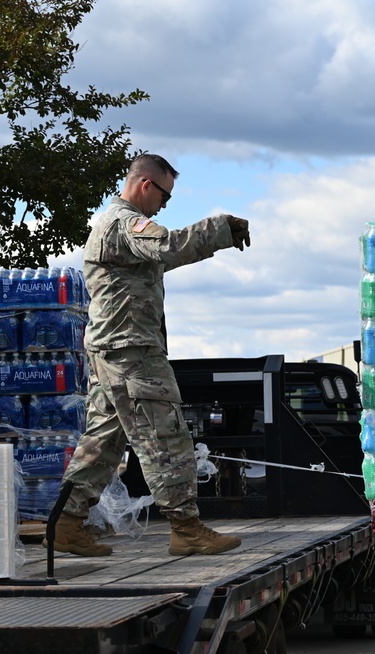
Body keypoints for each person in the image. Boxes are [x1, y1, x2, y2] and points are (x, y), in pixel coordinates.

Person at [49, 153, 250, 557]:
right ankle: (186, 528)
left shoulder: (112, 227)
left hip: (114, 349)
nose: (164, 205)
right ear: (145, 185)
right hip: (130, 351)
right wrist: (220, 228)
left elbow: (155, 262)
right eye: (165, 196)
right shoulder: (124, 223)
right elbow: (169, 246)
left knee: (103, 441)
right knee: (166, 434)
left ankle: (66, 524)